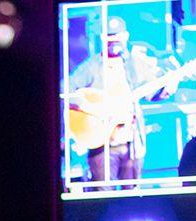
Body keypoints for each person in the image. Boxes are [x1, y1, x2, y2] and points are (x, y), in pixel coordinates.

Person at [69, 16, 181, 183]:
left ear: (126, 36)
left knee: (132, 191)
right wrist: (90, 108)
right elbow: (66, 89)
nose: (114, 40)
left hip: (131, 141)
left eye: (117, 35)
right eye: (109, 36)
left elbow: (151, 94)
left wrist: (168, 87)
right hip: (102, 144)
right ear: (102, 38)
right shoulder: (92, 66)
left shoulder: (134, 63)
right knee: (104, 192)